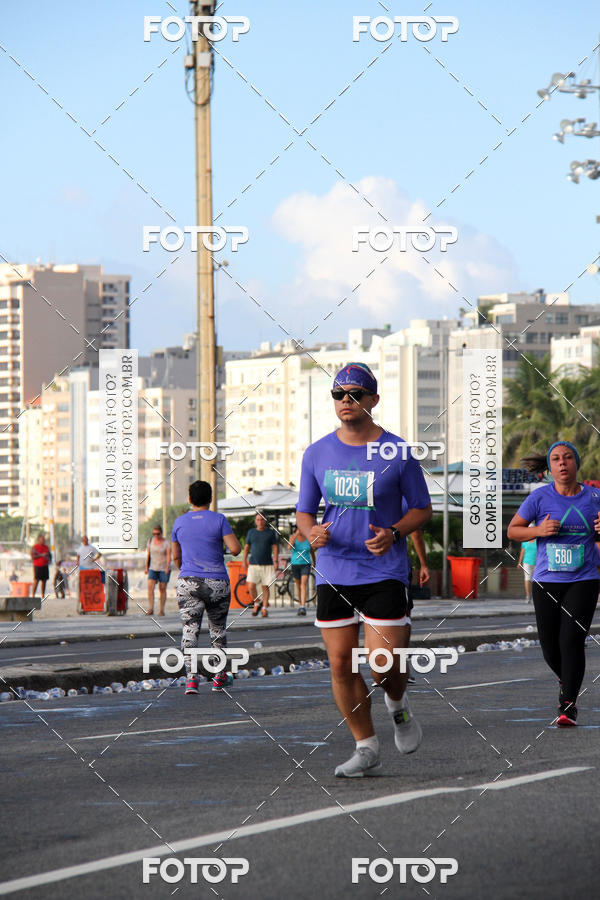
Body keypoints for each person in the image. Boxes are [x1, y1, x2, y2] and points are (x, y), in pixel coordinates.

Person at [296, 362, 432, 777]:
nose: (346, 401)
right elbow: (304, 513)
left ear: (373, 400)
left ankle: (397, 704)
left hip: (383, 570)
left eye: (355, 394)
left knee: (383, 663)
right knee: (340, 665)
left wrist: (393, 532)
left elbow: (422, 510)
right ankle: (365, 745)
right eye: (339, 395)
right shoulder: (317, 452)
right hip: (335, 570)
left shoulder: (397, 451)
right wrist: (312, 532)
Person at [507, 441, 600, 727]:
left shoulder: (595, 496)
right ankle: (567, 677)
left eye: (568, 457)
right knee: (549, 646)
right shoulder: (539, 498)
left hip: (584, 578)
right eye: (556, 459)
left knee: (571, 640)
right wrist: (538, 530)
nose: (562, 463)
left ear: (576, 463)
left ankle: (567, 705)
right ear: (550, 468)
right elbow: (513, 529)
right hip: (546, 580)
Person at [171, 480, 242, 693]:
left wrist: (186, 569)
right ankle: (219, 677)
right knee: (217, 630)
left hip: (188, 581)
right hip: (217, 582)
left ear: (190, 499)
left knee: (190, 629)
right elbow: (236, 549)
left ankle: (191, 679)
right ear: (211, 499)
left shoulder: (179, 522)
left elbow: (176, 556)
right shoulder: (219, 519)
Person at [243, 513, 279, 618]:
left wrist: (276, 560)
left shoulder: (270, 533)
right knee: (251, 586)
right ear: (255, 521)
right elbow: (246, 547)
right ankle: (257, 602)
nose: (260, 522)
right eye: (258, 520)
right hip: (253, 563)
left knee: (265, 586)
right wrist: (244, 561)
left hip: (267, 563)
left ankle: (264, 608)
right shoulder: (251, 532)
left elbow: (275, 547)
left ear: (265, 521)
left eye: (262, 520)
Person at [145, 524, 171, 616]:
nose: (156, 535)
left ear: (161, 533)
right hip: (153, 567)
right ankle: (151, 608)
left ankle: (162, 610)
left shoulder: (166, 542)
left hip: (163, 568)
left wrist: (168, 566)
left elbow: (168, 555)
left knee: (162, 588)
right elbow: (148, 555)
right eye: (154, 533)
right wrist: (146, 567)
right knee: (150, 588)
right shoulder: (150, 541)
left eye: (158, 533)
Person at [289, 524, 315, 616]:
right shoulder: (293, 537)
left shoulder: (308, 538)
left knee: (303, 584)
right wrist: (295, 535)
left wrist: (314, 562)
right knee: (298, 585)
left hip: (306, 564)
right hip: (295, 564)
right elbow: (289, 547)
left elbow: (311, 550)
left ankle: (303, 606)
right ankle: (300, 605)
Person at [517, 534, 537, 603]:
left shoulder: (538, 541)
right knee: (527, 578)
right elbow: (522, 552)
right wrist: (519, 562)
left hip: (537, 563)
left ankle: (535, 596)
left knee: (536, 580)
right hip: (527, 562)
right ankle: (528, 596)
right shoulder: (524, 542)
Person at [31, 533, 51, 599]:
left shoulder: (46, 547)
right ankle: (33, 595)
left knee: (44, 581)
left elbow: (49, 555)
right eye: (42, 539)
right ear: (39, 540)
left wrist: (49, 559)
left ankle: (43, 594)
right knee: (36, 580)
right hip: (37, 566)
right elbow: (33, 557)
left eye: (44, 539)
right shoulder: (35, 547)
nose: (43, 540)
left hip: (45, 565)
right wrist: (41, 555)